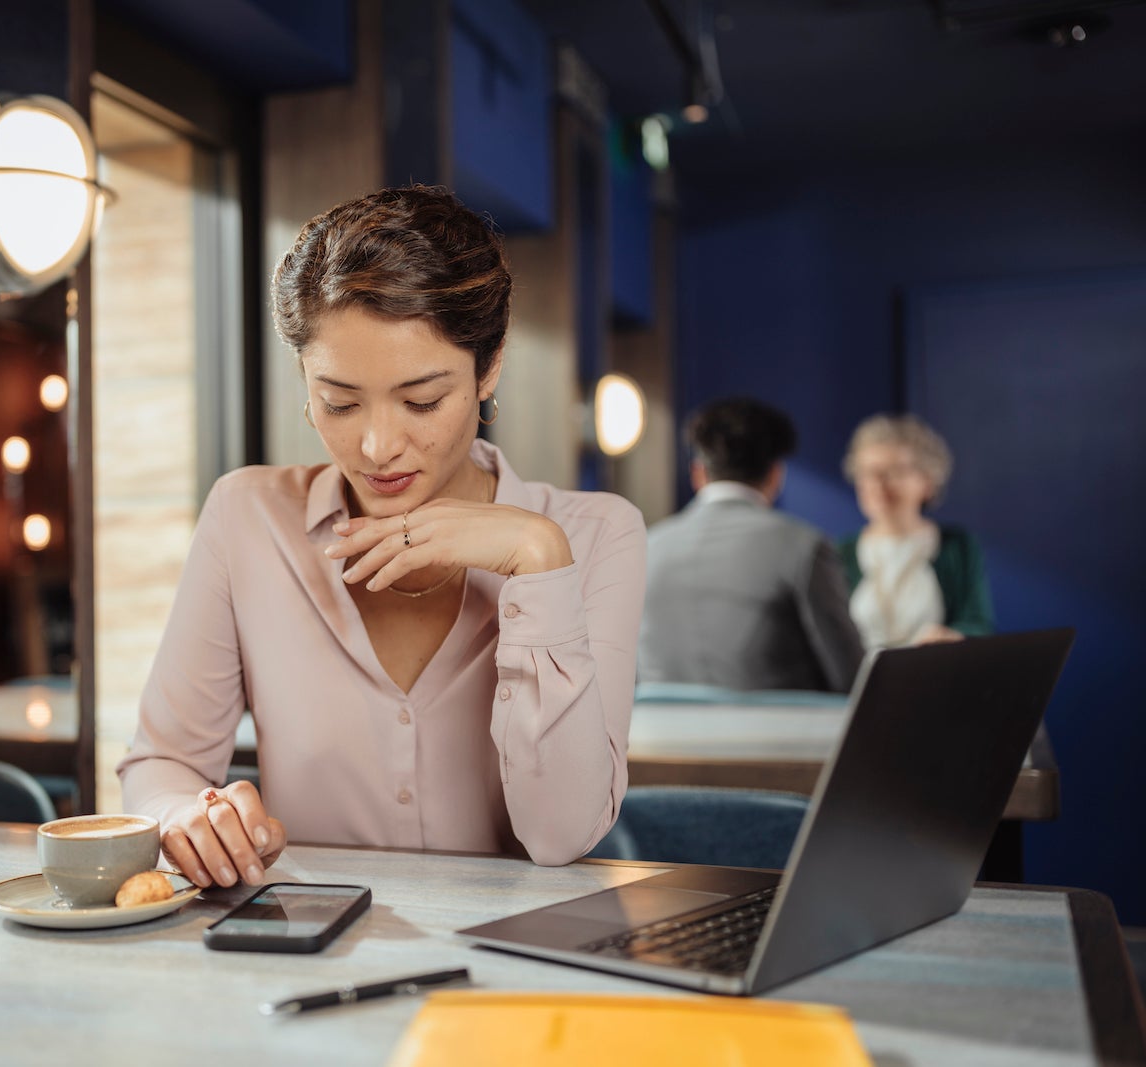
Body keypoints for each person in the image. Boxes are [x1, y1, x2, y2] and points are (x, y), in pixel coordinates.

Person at [118, 185, 646, 887]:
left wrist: (539, 563)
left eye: (422, 401)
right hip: (306, 953)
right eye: (338, 401)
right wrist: (187, 814)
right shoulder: (247, 518)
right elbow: (164, 761)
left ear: (489, 369)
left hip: (507, 970)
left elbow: (563, 834)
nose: (376, 445)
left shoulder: (596, 534)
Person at [639, 397, 865, 693]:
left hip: (659, 736)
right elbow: (851, 679)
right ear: (775, 475)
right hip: (781, 736)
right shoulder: (804, 547)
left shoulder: (644, 547)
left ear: (698, 473)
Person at [838, 414, 994, 648]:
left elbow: (979, 625)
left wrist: (952, 636)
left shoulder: (957, 546)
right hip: (860, 682)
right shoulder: (839, 553)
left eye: (894, 471)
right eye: (867, 472)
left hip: (938, 677)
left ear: (928, 481)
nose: (878, 484)